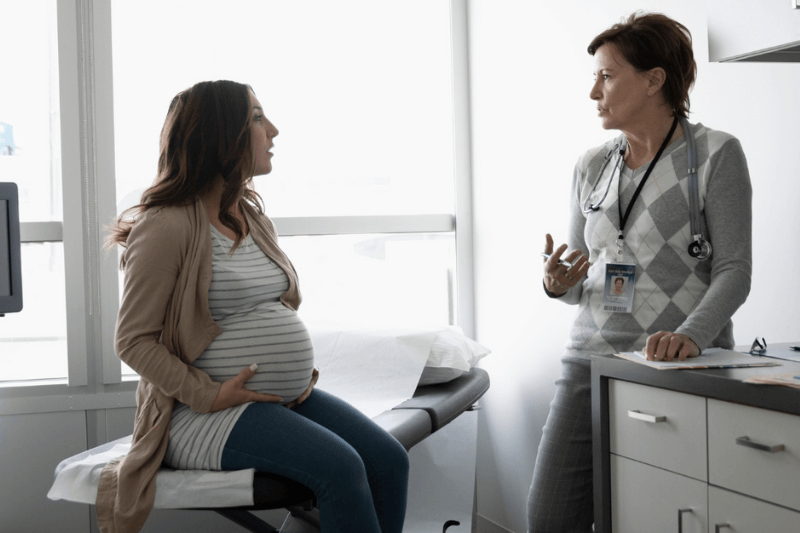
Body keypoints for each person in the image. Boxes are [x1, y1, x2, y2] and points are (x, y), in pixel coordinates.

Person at [100, 80, 409, 533]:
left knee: (388, 460)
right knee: (342, 469)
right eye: (259, 118)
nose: (274, 131)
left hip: (279, 401)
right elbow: (133, 341)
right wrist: (210, 393)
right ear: (223, 135)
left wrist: (289, 372)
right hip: (202, 415)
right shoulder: (164, 226)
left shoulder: (251, 215)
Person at [528, 12, 752, 532]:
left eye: (606, 76)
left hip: (674, 371)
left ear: (654, 80)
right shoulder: (591, 165)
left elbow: (735, 270)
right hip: (589, 362)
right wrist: (555, 283)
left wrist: (690, 337)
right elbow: (578, 274)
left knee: (648, 518)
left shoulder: (717, 155)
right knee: (548, 519)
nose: (593, 92)